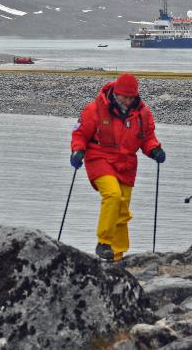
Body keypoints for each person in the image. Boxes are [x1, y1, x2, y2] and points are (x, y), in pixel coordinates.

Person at [70, 74, 165, 261]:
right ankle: (103, 241)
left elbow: (147, 138)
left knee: (122, 211)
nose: (128, 101)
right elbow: (79, 134)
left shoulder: (143, 113)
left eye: (131, 97)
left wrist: (154, 149)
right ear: (116, 93)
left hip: (126, 165)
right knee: (113, 195)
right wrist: (77, 151)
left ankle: (117, 256)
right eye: (124, 97)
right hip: (99, 159)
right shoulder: (95, 109)